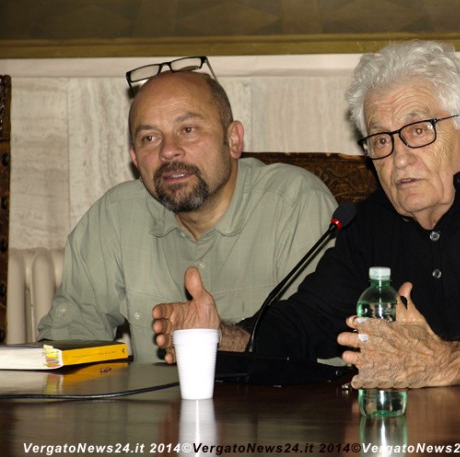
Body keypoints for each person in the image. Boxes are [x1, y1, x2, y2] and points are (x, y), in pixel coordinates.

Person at [152, 41, 460, 387]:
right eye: (381, 140)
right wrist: (221, 338)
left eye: (418, 130)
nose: (398, 158)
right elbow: (308, 322)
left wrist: (446, 362)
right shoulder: (370, 222)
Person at [37, 60, 337, 363]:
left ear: (233, 140)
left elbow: (326, 348)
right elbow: (67, 341)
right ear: (135, 159)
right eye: (149, 138)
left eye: (188, 129)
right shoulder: (115, 217)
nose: (168, 150)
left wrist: (224, 338)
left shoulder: (294, 205)